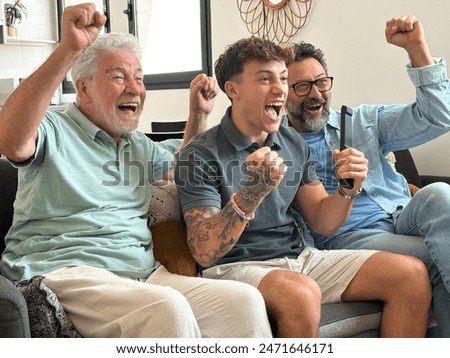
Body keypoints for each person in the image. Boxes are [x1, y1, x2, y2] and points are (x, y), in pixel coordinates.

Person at [0, 4, 273, 338]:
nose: (134, 88)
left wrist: (197, 114)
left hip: (141, 276)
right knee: (165, 309)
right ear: (83, 88)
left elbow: (183, 168)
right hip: (66, 271)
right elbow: (11, 140)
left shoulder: (136, 144)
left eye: (139, 78)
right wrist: (69, 49)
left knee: (243, 301)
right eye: (118, 77)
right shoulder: (54, 128)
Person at [175, 36, 432, 338]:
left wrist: (348, 189)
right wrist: (249, 195)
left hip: (300, 258)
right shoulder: (200, 153)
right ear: (233, 89)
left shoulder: (292, 142)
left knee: (411, 275)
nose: (280, 89)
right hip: (234, 268)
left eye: (283, 78)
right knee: (302, 293)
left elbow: (323, 221)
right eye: (265, 79)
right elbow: (204, 252)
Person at [284, 15, 450, 337]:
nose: (315, 93)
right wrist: (345, 187)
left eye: (321, 82)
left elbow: (438, 117)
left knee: (441, 193)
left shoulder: (361, 120)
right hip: (351, 236)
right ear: (283, 91)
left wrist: (417, 49)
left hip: (403, 215)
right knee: (438, 257)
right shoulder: (283, 146)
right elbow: (319, 222)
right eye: (302, 86)